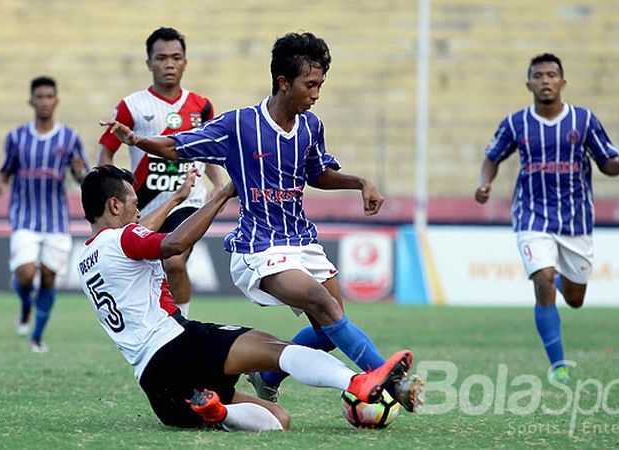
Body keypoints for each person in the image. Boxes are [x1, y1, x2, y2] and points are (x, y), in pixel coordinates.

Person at [100, 31, 423, 412]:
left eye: (320, 85)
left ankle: (268, 377)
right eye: (310, 85)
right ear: (284, 83)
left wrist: (360, 183)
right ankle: (387, 379)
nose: (316, 94)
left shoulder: (310, 126)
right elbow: (176, 145)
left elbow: (316, 173)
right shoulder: (239, 125)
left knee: (330, 329)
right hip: (260, 245)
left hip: (302, 241)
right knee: (323, 304)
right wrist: (137, 141)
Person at [76, 164, 416, 431]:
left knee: (278, 419)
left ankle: (220, 411)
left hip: (158, 387)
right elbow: (172, 244)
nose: (138, 212)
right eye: (134, 204)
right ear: (114, 204)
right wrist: (222, 195)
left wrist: (177, 198)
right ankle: (358, 381)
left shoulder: (87, 257)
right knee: (278, 351)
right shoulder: (124, 239)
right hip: (178, 345)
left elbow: (137, 233)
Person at [474, 53, 619, 382]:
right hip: (532, 217)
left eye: (552, 75)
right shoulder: (516, 123)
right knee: (543, 279)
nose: (545, 81)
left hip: (576, 222)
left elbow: (606, 162)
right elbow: (491, 157)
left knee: (575, 298)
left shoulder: (584, 120)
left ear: (562, 82)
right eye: (539, 76)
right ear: (529, 83)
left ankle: (567, 282)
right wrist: (484, 182)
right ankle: (558, 365)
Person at [98, 27, 223, 318]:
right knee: (144, 273)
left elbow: (210, 149)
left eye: (176, 57)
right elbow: (107, 149)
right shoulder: (131, 106)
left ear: (185, 62)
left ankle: (182, 326)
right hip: (143, 204)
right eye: (162, 57)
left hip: (189, 199)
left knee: (175, 261)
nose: (169, 64)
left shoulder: (201, 106)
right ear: (148, 63)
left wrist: (216, 183)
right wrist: (111, 187)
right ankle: (156, 328)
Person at [0, 76, 89, 353]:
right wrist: (0, 183)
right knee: (25, 274)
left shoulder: (69, 138)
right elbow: (7, 169)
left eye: (49, 96)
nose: (45, 101)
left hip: (56, 221)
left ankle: (36, 337)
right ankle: (25, 306)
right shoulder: (16, 137)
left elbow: (81, 174)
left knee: (48, 277)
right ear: (31, 101)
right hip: (24, 218)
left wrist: (81, 172)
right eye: (40, 97)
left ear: (56, 100)